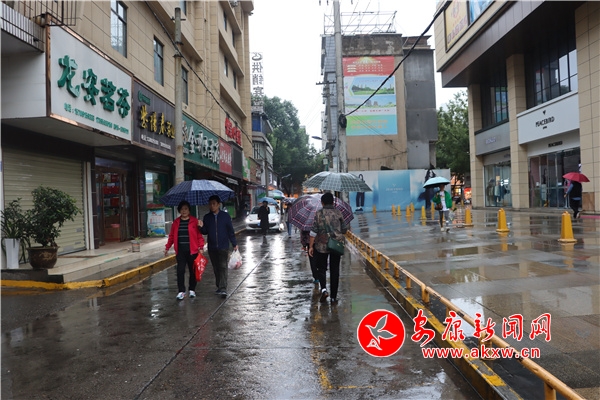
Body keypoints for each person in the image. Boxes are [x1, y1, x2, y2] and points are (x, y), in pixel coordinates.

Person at [308, 192, 348, 303]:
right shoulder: (338, 213)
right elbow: (344, 230)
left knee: (321, 269)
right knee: (335, 270)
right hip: (336, 245)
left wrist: (311, 246)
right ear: (333, 202)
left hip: (321, 245)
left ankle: (324, 290)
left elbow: (313, 232)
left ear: (322, 203)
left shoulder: (319, 213)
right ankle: (334, 297)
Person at [164, 200, 205, 300]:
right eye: (182, 209)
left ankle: (192, 289)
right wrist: (167, 247)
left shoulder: (195, 221)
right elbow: (171, 236)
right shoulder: (176, 222)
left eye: (186, 209)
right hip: (180, 251)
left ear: (189, 210)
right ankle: (181, 291)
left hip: (192, 251)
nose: (184, 211)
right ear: (179, 210)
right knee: (180, 270)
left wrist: (201, 247)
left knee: (192, 271)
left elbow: (199, 236)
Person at [199, 195, 238, 298]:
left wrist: (234, 243)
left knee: (223, 266)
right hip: (212, 247)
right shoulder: (207, 217)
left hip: (223, 246)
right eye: (210, 204)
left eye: (214, 204)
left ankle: (223, 288)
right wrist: (201, 226)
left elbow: (230, 231)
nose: (212, 206)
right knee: (216, 268)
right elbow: (205, 231)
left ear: (218, 204)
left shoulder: (225, 216)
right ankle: (219, 286)